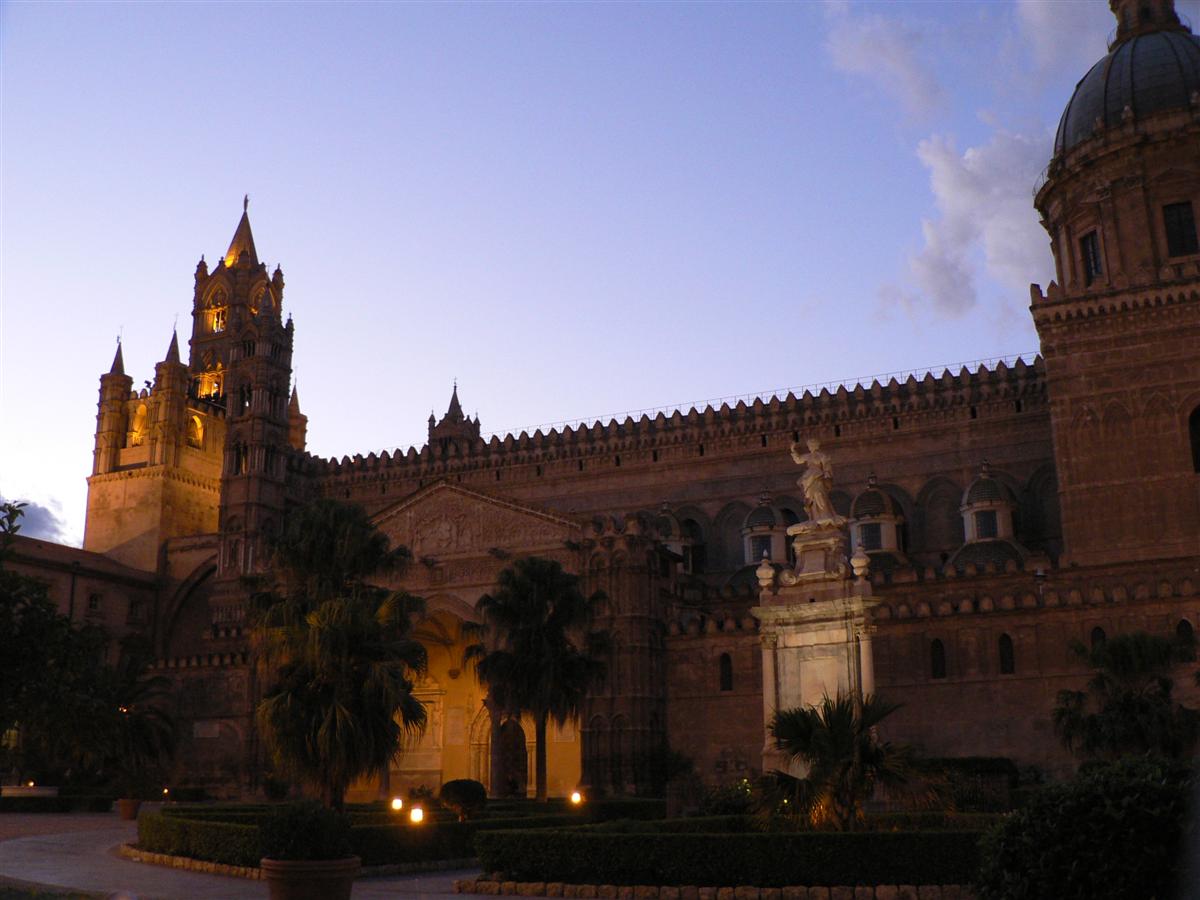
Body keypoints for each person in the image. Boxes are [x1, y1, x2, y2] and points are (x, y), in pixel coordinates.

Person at [790, 438, 838, 523]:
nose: (810, 447)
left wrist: (827, 476)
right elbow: (798, 460)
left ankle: (824, 515)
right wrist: (793, 450)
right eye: (809, 445)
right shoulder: (808, 456)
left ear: (816, 445)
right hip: (808, 478)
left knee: (819, 495)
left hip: (818, 477)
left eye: (812, 445)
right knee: (810, 497)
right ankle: (814, 516)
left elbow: (826, 467)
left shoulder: (822, 456)